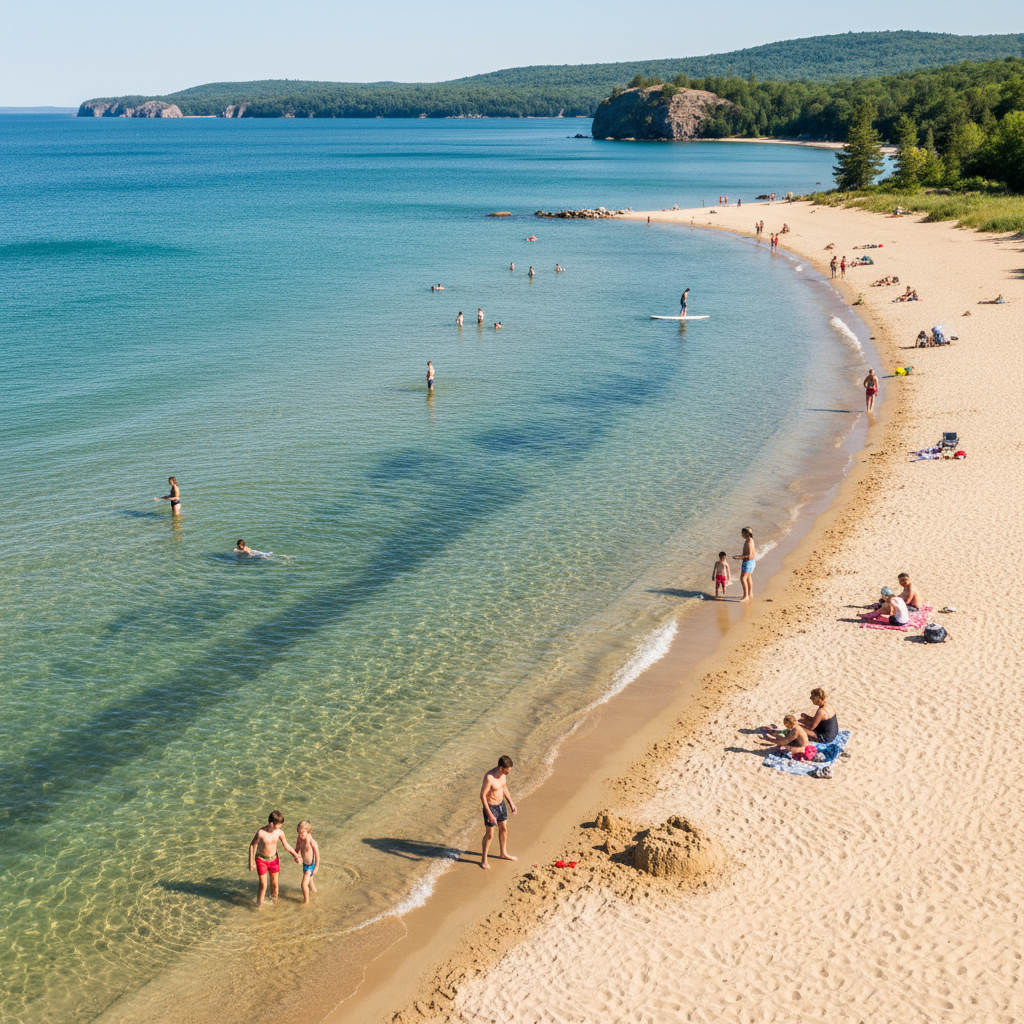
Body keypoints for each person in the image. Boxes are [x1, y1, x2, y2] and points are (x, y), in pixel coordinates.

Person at [248, 811, 301, 907]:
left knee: (275, 883)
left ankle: (274, 902)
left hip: (274, 860)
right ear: (271, 823)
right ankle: (259, 906)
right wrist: (251, 862)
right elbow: (252, 845)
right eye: (279, 825)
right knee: (263, 885)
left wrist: (295, 855)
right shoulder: (261, 833)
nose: (280, 827)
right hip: (261, 860)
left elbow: (286, 845)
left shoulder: (279, 832)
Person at [480, 755, 517, 869]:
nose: (508, 772)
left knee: (504, 829)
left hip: (501, 805)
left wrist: (511, 803)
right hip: (491, 807)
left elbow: (504, 787)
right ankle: (484, 859)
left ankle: (503, 853)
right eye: (507, 770)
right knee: (490, 834)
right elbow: (482, 796)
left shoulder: (503, 775)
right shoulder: (489, 777)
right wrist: (489, 814)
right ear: (501, 768)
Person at [295, 820, 320, 904]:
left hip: (311, 866)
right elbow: (297, 849)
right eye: (298, 833)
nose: (300, 835)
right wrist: (297, 856)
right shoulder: (300, 839)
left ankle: (306, 901)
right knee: (310, 883)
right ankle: (316, 894)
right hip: (305, 865)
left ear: (308, 832)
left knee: (303, 884)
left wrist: (316, 868)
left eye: (302, 833)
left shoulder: (312, 842)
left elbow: (317, 856)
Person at [733, 527, 756, 602]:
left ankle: (746, 596)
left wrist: (738, 557)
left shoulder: (749, 542)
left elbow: (749, 555)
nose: (741, 534)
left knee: (743, 578)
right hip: (749, 562)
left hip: (749, 562)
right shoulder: (749, 540)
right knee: (748, 578)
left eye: (742, 533)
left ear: (746, 533)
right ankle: (750, 594)